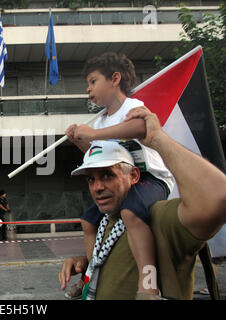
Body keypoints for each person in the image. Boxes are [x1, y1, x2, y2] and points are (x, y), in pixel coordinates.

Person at [58, 106, 226, 300]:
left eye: (107, 175)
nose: (97, 187)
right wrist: (88, 264)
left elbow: (218, 196)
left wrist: (158, 139)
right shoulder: (105, 221)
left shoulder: (158, 218)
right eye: (91, 179)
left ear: (134, 176)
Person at [64, 52, 175, 298]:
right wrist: (80, 141)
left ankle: (148, 286)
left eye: (93, 82)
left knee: (130, 212)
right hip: (120, 180)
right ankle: (92, 274)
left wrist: (92, 134)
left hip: (150, 179)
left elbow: (141, 127)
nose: (88, 89)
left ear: (115, 79)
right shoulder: (101, 120)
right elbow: (99, 159)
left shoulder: (132, 106)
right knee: (87, 221)